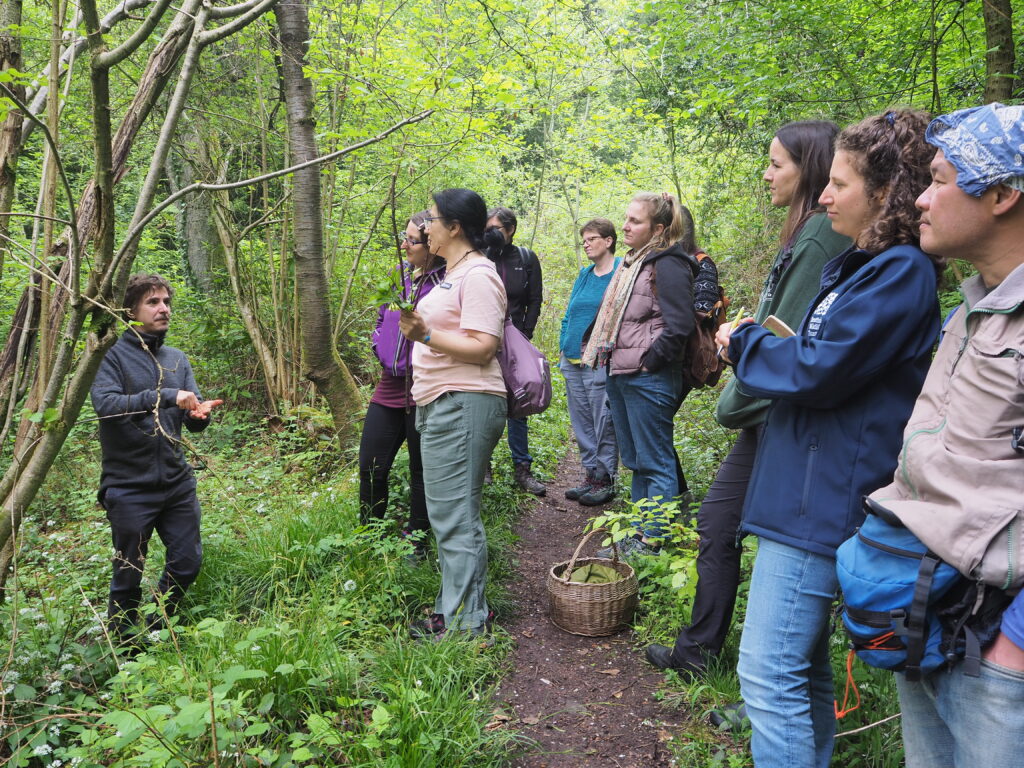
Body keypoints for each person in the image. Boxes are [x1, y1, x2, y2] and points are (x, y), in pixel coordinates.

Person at [716, 108, 940, 768]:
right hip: (805, 493)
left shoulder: (900, 272)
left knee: (766, 678)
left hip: (820, 504)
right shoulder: (871, 267)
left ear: (886, 193)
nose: (825, 195)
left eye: (840, 183)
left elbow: (822, 367)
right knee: (800, 676)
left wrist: (748, 344)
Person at [646, 121, 851, 675]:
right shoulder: (807, 233)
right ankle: (699, 654)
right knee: (718, 522)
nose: (766, 174)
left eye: (776, 164)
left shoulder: (819, 237)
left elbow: (797, 341)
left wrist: (743, 355)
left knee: (782, 549)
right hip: (768, 410)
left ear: (808, 169)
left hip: (784, 413)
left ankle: (772, 677)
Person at [863, 103, 1024, 768]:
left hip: (998, 657)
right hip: (933, 621)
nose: (921, 199)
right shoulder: (973, 309)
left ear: (1003, 194)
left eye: (940, 179)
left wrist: (1014, 644)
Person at [399, 188, 508, 638]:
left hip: (463, 400)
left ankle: (465, 623)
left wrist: (425, 336)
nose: (425, 228)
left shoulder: (479, 275)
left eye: (433, 219)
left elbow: (485, 348)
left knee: (455, 514)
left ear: (455, 227)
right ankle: (461, 608)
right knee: (448, 513)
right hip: (442, 400)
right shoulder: (450, 272)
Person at [91, 274, 222, 645]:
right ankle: (124, 650)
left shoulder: (176, 358)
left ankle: (156, 628)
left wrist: (199, 415)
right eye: (152, 302)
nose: (163, 308)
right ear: (130, 311)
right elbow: (106, 405)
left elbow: (189, 414)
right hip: (128, 485)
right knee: (128, 574)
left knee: (186, 563)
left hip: (176, 482)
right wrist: (165, 395)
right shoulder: (109, 356)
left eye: (166, 301)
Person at [582, 193, 698, 556]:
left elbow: (679, 326)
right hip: (620, 371)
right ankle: (638, 533)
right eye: (626, 218)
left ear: (658, 229)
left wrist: (649, 362)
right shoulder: (634, 263)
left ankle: (654, 540)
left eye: (636, 221)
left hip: (648, 377)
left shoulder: (669, 264)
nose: (626, 226)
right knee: (635, 460)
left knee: (655, 460)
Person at [358, 212, 445, 553]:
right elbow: (383, 314)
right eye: (403, 236)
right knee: (371, 464)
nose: (403, 244)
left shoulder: (445, 283)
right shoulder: (400, 274)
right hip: (389, 385)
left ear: (432, 245)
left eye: (411, 240)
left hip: (424, 387)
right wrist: (378, 340)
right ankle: (371, 537)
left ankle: (417, 541)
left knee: (421, 471)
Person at [559, 218, 621, 506]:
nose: (586, 244)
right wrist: (563, 341)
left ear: (608, 240)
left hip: (598, 359)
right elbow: (570, 313)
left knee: (603, 420)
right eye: (583, 240)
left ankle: (605, 478)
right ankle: (590, 474)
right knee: (582, 420)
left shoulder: (621, 271)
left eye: (592, 238)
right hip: (571, 358)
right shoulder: (585, 274)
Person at [485, 206, 546, 495]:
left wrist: (525, 333)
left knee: (519, 405)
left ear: (510, 229)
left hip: (515, 339)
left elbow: (535, 298)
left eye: (496, 228)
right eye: (487, 227)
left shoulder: (525, 258)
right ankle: (483, 466)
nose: (491, 233)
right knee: (485, 403)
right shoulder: (479, 255)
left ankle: (523, 470)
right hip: (482, 339)